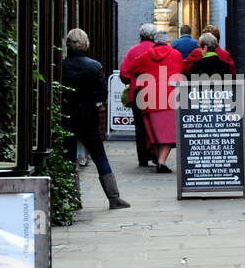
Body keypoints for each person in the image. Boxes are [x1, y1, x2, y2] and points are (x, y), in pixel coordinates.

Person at [62, 29, 130, 209]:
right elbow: (101, 93)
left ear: (69, 44)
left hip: (66, 116)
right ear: (86, 44)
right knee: (100, 157)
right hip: (89, 117)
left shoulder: (61, 66)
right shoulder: (94, 66)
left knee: (68, 159)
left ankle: (73, 200)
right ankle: (114, 197)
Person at [124, 29, 184, 172]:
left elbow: (130, 69)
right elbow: (180, 69)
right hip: (169, 97)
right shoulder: (176, 55)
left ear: (155, 42)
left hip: (148, 98)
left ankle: (159, 161)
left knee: (155, 134)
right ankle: (161, 163)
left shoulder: (145, 56)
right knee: (169, 133)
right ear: (168, 42)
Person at [120, 22, 158, 167]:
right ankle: (155, 153)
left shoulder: (133, 50)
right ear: (154, 35)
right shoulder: (157, 50)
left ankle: (142, 158)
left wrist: (131, 80)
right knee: (155, 124)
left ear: (140, 35)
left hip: (137, 92)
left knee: (140, 127)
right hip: (155, 92)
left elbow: (123, 73)